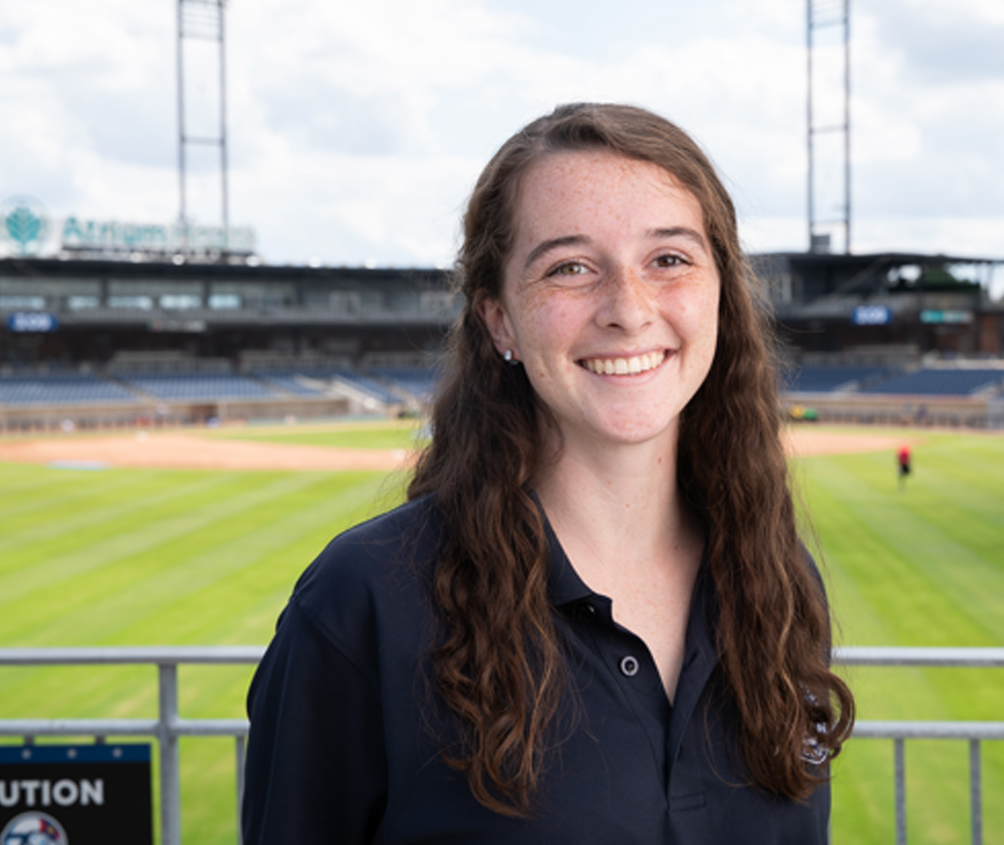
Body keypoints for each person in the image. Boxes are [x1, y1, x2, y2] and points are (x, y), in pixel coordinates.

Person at [241, 103, 855, 844]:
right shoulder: (364, 602)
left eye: (669, 259)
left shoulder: (777, 584)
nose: (628, 310)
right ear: (500, 319)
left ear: (720, 289)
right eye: (570, 267)